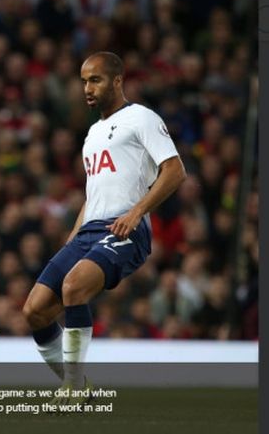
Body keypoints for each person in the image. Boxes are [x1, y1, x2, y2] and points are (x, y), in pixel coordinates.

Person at [21, 52, 186, 403]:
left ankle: (72, 390)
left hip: (126, 229)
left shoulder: (141, 117)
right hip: (88, 231)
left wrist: (137, 212)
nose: (87, 88)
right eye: (83, 81)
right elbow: (93, 194)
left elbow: (174, 170)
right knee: (34, 310)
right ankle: (79, 385)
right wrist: (70, 241)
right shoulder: (92, 134)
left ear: (117, 80)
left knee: (75, 286)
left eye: (94, 79)